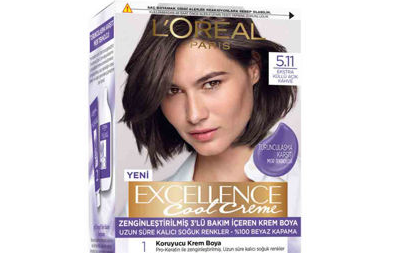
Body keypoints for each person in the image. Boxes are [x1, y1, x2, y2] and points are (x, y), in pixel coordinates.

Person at [121, 15, 297, 189]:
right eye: (173, 91)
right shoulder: (147, 204)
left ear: (253, 68)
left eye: (211, 84)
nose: (194, 115)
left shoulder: (302, 189)